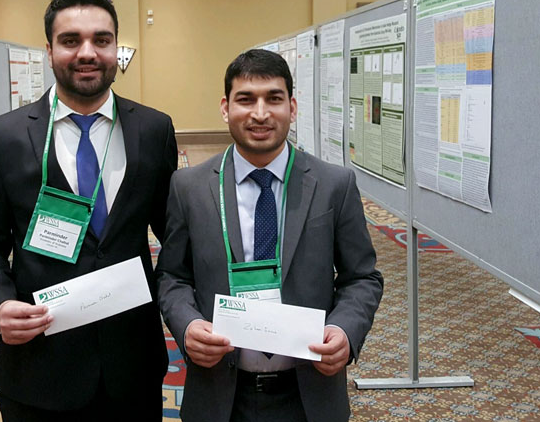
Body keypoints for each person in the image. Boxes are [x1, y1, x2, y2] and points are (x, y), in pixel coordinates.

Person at [0, 0, 177, 420]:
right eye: (70, 40)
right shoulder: (2, 138)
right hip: (41, 364)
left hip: (130, 361)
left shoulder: (153, 129)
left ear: (117, 49)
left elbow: (174, 234)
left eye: (101, 39)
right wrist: (0, 305)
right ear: (49, 49)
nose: (87, 52)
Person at [156, 49, 383, 422]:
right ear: (225, 108)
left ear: (292, 108)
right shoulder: (189, 187)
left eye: (273, 99)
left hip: (308, 391)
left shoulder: (333, 185)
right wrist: (188, 325)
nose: (260, 113)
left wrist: (344, 329)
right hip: (220, 394)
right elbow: (172, 276)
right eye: (246, 99)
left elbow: (363, 277)